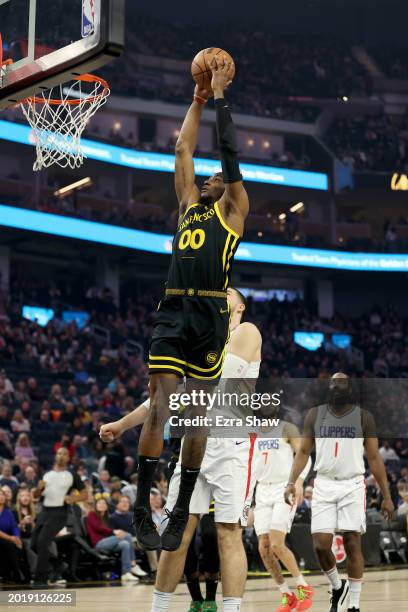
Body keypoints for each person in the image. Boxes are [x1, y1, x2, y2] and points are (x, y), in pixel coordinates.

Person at [132, 55, 249, 552]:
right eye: (206, 180)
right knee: (161, 406)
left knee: (196, 416)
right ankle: (143, 506)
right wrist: (198, 99)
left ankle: (181, 506)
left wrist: (221, 95)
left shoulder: (235, 210)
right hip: (174, 307)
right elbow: (183, 146)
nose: (207, 181)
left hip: (209, 315)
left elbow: (228, 155)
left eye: (215, 180)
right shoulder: (187, 206)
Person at [101, 286, 261, 612]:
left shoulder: (246, 331)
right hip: (193, 442)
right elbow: (165, 398)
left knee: (228, 533)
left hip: (232, 444)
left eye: (227, 293)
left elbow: (212, 381)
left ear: (240, 306)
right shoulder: (201, 342)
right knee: (178, 530)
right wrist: (122, 423)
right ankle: (158, 609)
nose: (219, 296)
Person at [285, 373, 395, 612]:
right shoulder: (315, 414)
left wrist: (386, 496)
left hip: (352, 484)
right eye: (332, 384)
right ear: (329, 389)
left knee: (352, 542)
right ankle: (337, 586)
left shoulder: (364, 418)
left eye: (341, 384)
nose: (335, 387)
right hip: (324, 483)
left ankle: (353, 604)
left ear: (349, 390)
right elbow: (303, 451)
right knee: (321, 545)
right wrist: (291, 482)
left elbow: (375, 458)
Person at [254, 420, 313, 612]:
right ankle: (286, 594)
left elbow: (305, 455)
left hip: (283, 487)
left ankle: (303, 587)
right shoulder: (248, 430)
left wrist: (299, 481)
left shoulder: (286, 428)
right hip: (261, 490)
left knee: (276, 544)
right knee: (264, 548)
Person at [31, 447, 87, 587]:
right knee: (33, 544)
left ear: (68, 458)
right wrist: (38, 489)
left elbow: (85, 494)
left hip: (60, 513)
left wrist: (73, 499)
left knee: (43, 542)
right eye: (59, 453)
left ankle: (41, 579)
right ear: (56, 456)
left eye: (64, 454)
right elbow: (36, 496)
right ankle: (58, 564)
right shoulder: (46, 474)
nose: (61, 456)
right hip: (44, 511)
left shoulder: (72, 475)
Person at [86, 497, 139, 583]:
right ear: (95, 506)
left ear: (107, 506)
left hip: (109, 543)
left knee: (125, 543)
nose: (102, 505)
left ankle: (126, 573)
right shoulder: (92, 514)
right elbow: (98, 528)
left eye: (104, 504)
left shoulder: (107, 518)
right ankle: (133, 563)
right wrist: (114, 532)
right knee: (127, 535)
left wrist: (116, 533)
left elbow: (108, 532)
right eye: (99, 503)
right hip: (98, 544)